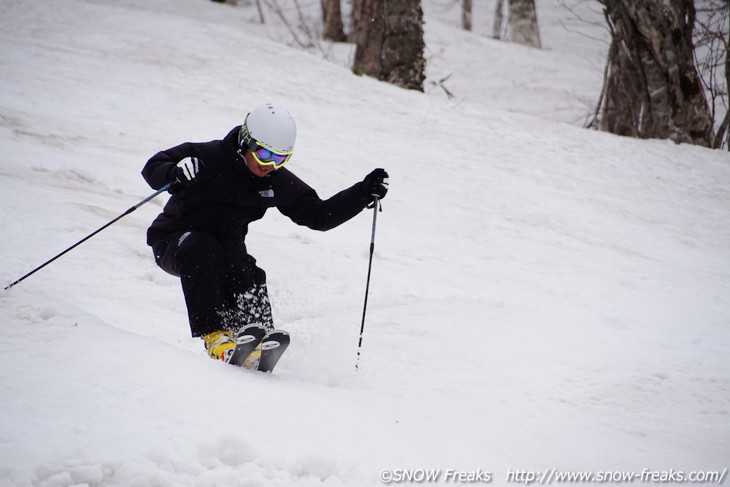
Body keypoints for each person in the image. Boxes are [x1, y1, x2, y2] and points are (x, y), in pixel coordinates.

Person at [142, 103, 388, 368]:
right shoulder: (208, 156)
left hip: (226, 246)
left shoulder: (274, 180)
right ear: (246, 143)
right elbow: (153, 167)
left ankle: (256, 338)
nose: (269, 165)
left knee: (245, 267)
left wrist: (362, 193)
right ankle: (216, 337)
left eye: (280, 158)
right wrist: (174, 171)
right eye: (263, 154)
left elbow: (319, 215)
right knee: (203, 247)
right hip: (175, 239)